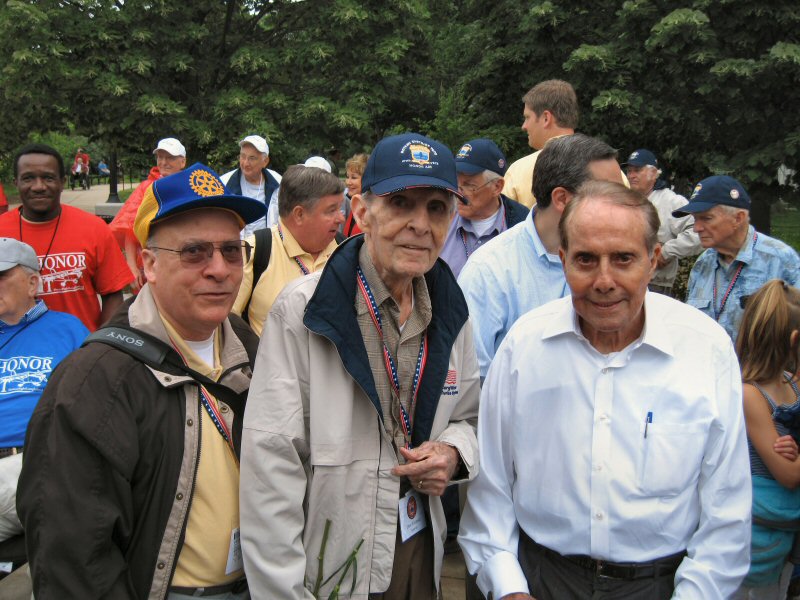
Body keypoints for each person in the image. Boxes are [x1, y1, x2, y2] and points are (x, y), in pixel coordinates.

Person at [459, 180, 752, 599]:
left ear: (653, 261)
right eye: (585, 259)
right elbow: (491, 488)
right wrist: (508, 587)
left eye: (623, 259)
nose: (604, 280)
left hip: (662, 586)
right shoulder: (524, 347)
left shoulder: (704, 349)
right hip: (541, 579)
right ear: (563, 261)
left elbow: (727, 506)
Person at [240, 132, 481, 598]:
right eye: (401, 203)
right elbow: (271, 468)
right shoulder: (306, 310)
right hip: (333, 568)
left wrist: (452, 452)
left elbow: (470, 415)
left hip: (419, 553)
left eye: (437, 208)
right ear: (362, 212)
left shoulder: (452, 308)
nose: (420, 224)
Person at [17, 163, 265, 599]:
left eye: (231, 250)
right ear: (149, 264)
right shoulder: (95, 380)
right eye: (194, 252)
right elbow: (72, 558)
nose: (220, 269)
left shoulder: (247, 343)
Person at [458, 133, 623, 379]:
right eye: (609, 196)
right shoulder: (489, 272)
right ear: (562, 199)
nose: (622, 208)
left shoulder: (623, 265)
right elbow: (473, 383)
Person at [0, 238, 88, 544]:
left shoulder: (68, 329)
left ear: (32, 283)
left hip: (37, 458)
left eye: (1, 277)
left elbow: (94, 399)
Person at [0, 143, 133, 331]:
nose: (39, 186)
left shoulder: (94, 229)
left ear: (62, 182)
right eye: (28, 178)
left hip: (80, 354)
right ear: (16, 183)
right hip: (13, 354)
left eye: (48, 178)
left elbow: (113, 295)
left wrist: (98, 346)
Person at [734, 280, 800, 599]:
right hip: (751, 547)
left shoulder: (790, 382)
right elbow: (789, 474)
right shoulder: (750, 395)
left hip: (778, 543)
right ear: (793, 340)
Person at [679, 175, 800, 342]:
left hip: (759, 368)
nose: (697, 228)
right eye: (695, 219)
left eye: (706, 218)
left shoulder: (780, 260)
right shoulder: (703, 263)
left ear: (738, 218)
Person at [232, 164, 345, 335]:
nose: (341, 218)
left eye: (340, 208)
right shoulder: (255, 251)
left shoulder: (345, 250)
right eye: (331, 210)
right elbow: (227, 322)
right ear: (299, 214)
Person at [440, 138, 528, 278]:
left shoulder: (523, 225)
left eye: (469, 185)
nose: (458, 193)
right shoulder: (441, 219)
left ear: (497, 187)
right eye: (456, 184)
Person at [109, 137, 188, 293]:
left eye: (170, 157)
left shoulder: (192, 188)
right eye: (160, 157)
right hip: (151, 265)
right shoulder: (146, 188)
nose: (163, 162)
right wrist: (131, 267)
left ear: (183, 162)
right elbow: (129, 230)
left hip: (184, 265)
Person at [625, 148, 701, 295]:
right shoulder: (625, 201)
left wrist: (667, 252)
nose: (632, 175)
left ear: (654, 173)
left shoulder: (671, 201)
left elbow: (698, 231)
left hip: (657, 285)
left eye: (637, 170)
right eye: (629, 171)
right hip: (626, 281)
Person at [502, 79, 578, 208]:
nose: (524, 126)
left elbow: (505, 222)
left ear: (546, 118)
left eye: (527, 117)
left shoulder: (519, 171)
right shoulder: (605, 167)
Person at [221, 135, 282, 236]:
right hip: (237, 247)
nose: (245, 163)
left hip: (268, 248)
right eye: (243, 156)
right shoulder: (224, 183)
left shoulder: (278, 183)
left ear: (265, 161)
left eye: (252, 158)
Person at [342, 152, 369, 236]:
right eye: (347, 176)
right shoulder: (355, 204)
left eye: (353, 177)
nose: (348, 182)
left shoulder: (371, 210)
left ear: (367, 179)